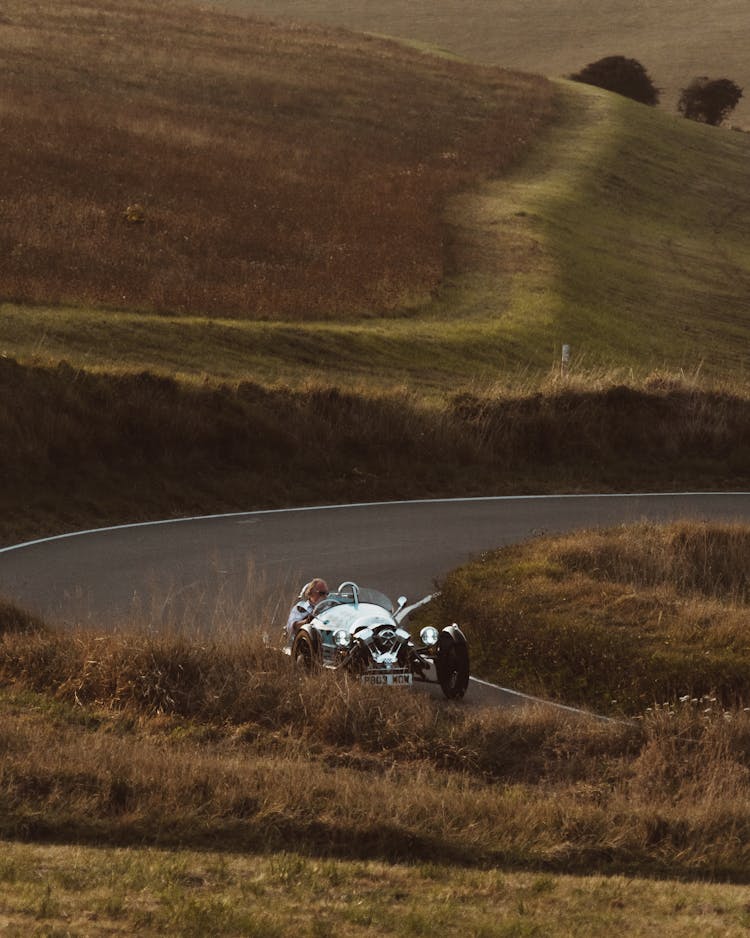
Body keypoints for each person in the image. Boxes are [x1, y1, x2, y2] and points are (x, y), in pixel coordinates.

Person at [286, 578, 329, 644]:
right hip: (303, 645)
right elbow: (291, 627)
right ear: (311, 593)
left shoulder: (329, 609)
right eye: (321, 593)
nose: (325, 596)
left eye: (327, 593)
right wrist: (306, 621)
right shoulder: (301, 608)